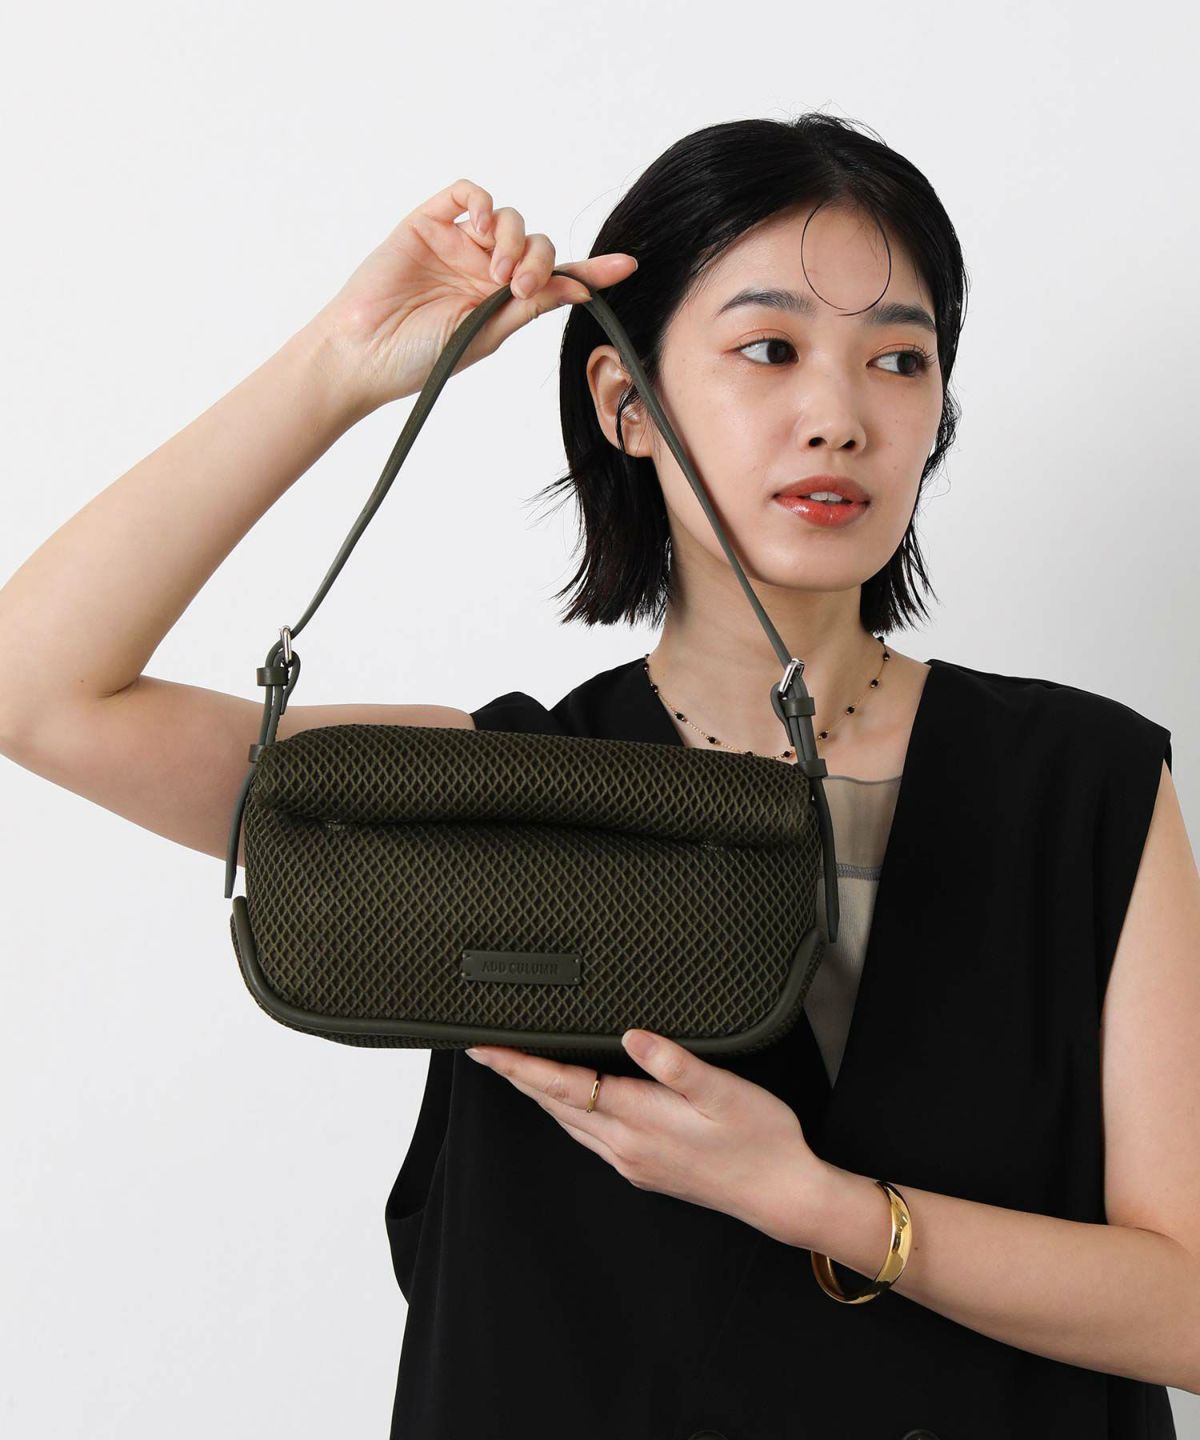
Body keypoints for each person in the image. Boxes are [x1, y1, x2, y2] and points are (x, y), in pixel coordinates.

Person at [0, 114, 1194, 1439]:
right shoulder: (490, 793)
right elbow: (33, 691)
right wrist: (343, 362)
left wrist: (824, 1207)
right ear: (628, 404)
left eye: (899, 361)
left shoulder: (1086, 785)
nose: (841, 417)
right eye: (769, 349)